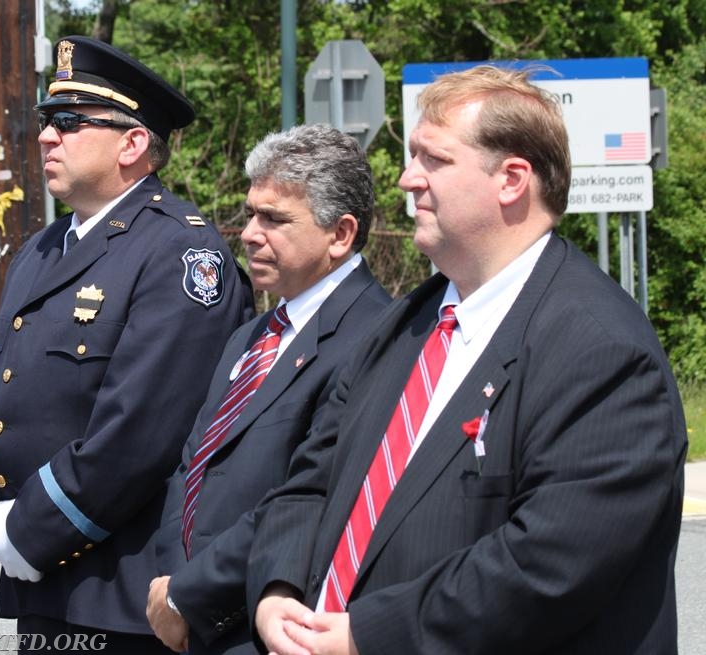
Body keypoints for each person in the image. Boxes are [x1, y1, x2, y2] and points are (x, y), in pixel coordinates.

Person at [249, 64, 687, 655]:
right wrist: (278, 590)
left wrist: (366, 635)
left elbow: (548, 566)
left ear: (511, 179)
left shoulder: (602, 351)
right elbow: (311, 483)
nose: (407, 179)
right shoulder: (405, 325)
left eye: (434, 159)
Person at [0, 35, 254, 654]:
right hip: (39, 585)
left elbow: (139, 435)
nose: (45, 137)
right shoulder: (43, 248)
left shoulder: (179, 253)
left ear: (134, 143)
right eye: (44, 121)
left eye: (68, 122)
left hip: (123, 596)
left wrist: (32, 531)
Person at [145, 123, 392, 654]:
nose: (250, 233)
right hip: (193, 621)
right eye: (252, 213)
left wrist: (191, 594)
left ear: (340, 234)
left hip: (273, 627)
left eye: (275, 219)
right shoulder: (251, 335)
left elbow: (308, 497)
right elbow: (194, 465)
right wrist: (172, 584)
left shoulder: (376, 340)